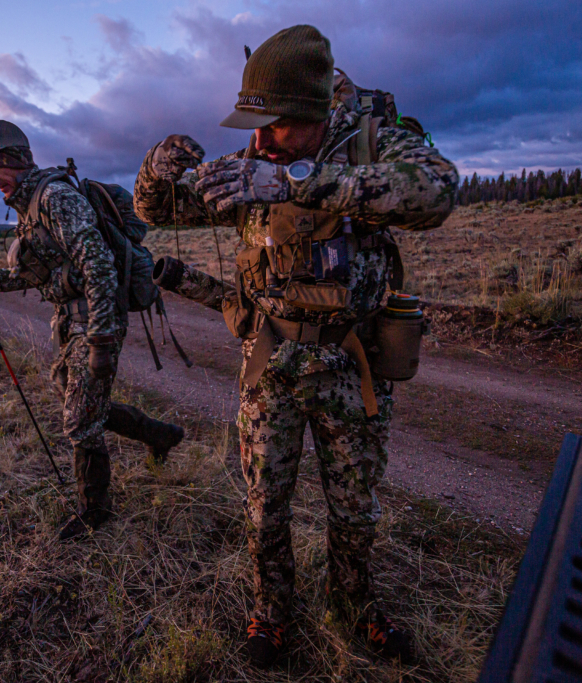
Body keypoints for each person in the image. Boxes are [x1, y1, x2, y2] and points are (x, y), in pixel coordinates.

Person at [134, 25, 459, 668]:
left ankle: (356, 607)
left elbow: (436, 190)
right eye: (252, 127)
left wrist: (297, 184)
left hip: (350, 364)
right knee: (264, 509)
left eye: (276, 126)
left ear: (314, 115)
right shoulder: (250, 166)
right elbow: (155, 210)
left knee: (355, 510)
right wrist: (158, 163)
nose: (258, 144)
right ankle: (273, 612)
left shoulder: (368, 144)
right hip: (270, 366)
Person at [0, 119, 184, 541]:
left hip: (95, 319)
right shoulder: (27, 206)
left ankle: (94, 511)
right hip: (71, 319)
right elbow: (38, 273)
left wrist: (99, 338)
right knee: (78, 397)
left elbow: (98, 266)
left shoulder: (55, 198)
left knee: (80, 419)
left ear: (16, 160)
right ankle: (162, 435)